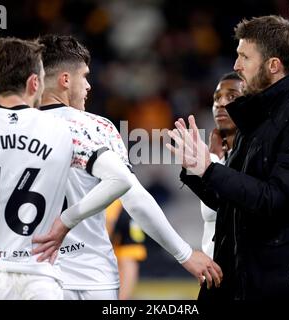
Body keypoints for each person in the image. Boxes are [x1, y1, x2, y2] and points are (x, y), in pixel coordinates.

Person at [0, 37, 134, 299]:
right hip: (40, 279)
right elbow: (120, 179)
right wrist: (66, 223)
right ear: (35, 82)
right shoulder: (68, 131)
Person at [167, 15, 289, 300]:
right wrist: (197, 171)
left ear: (273, 65)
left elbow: (274, 200)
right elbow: (235, 204)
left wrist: (210, 170)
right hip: (251, 278)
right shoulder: (259, 115)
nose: (236, 66)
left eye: (244, 57)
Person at [35, 34, 222, 300]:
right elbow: (135, 199)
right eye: (84, 77)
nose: (88, 86)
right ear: (65, 80)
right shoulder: (96, 128)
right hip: (92, 279)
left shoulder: (8, 131)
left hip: (31, 277)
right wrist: (185, 253)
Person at [201, 72, 243, 258]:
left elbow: (222, 207)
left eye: (232, 96)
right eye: (217, 98)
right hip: (217, 270)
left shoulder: (257, 153)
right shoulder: (217, 153)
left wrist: (213, 162)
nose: (221, 103)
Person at [106, 199, 147, 300]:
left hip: (125, 245)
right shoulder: (131, 202)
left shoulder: (117, 203)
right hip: (130, 241)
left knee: (127, 262)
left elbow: (109, 223)